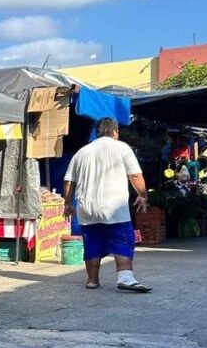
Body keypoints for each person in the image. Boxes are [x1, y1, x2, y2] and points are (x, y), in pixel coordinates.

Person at [63, 117, 151, 293]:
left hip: (87, 207)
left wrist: (68, 204)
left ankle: (92, 280)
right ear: (115, 132)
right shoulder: (122, 148)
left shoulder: (82, 152)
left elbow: (69, 181)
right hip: (114, 207)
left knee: (92, 242)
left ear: (98, 132)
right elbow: (134, 175)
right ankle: (126, 278)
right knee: (122, 238)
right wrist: (142, 195)